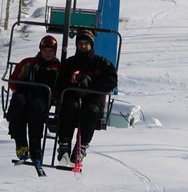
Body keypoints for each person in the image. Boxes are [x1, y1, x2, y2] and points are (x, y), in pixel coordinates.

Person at [56, 30, 118, 163]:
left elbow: (111, 80)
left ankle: (81, 147)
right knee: (69, 107)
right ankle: (64, 144)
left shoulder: (101, 63)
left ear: (91, 45)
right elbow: (60, 81)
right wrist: (75, 84)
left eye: (86, 43)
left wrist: (91, 87)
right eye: (80, 43)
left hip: (93, 99)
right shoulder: (69, 63)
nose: (83, 46)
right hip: (73, 96)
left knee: (90, 111)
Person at [7, 35, 60, 164]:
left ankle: (35, 147)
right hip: (24, 94)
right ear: (40, 51)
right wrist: (20, 87)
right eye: (45, 50)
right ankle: (21, 145)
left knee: (36, 110)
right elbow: (13, 80)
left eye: (50, 51)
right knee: (17, 104)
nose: (47, 54)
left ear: (55, 52)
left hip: (42, 98)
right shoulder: (29, 63)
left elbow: (60, 87)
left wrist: (51, 95)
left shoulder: (57, 68)